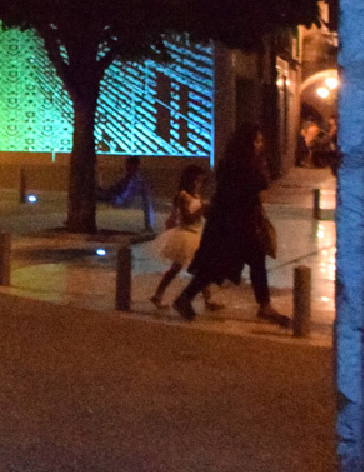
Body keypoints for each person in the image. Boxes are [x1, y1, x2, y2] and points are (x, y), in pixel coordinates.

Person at [173, 123, 288, 324]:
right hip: (234, 226)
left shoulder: (230, 163)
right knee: (220, 265)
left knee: (246, 261)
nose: (261, 145)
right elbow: (260, 186)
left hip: (230, 224)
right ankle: (186, 297)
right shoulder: (243, 167)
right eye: (257, 141)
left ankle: (264, 305)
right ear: (247, 143)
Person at [151, 164, 210, 308]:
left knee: (196, 268)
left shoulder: (196, 196)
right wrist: (201, 210)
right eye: (197, 181)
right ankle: (158, 294)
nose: (199, 184)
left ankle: (207, 299)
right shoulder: (183, 196)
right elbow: (187, 218)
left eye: (201, 182)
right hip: (185, 235)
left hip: (195, 234)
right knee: (179, 268)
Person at [98, 154, 155, 231]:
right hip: (117, 197)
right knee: (95, 192)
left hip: (120, 199)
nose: (126, 167)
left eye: (128, 165)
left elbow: (124, 194)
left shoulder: (137, 180)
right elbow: (116, 188)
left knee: (93, 194)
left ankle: (148, 226)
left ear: (134, 166)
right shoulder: (129, 178)